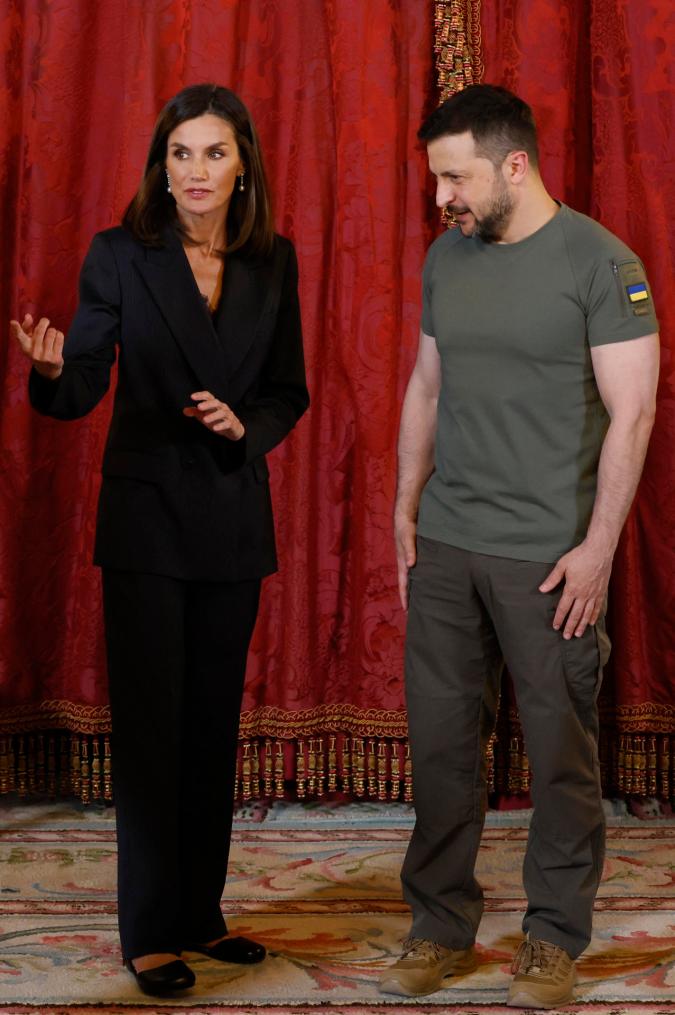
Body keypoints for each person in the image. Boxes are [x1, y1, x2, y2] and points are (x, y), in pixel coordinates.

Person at [10, 83, 309, 998]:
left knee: (211, 727)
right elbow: (84, 382)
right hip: (146, 523)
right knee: (152, 732)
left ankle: (199, 916)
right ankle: (147, 932)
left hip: (232, 517)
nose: (196, 170)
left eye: (214, 152)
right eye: (181, 153)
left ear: (243, 165)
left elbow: (287, 390)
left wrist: (244, 427)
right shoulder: (120, 254)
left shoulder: (274, 260)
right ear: (161, 165)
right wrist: (53, 372)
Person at [381, 84, 659, 1009]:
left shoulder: (601, 262)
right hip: (447, 546)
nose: (441, 199)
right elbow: (426, 386)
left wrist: (597, 549)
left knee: (560, 752)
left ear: (513, 164)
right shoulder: (445, 258)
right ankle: (437, 923)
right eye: (435, 180)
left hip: (548, 559)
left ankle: (552, 936)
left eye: (455, 178)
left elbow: (632, 413)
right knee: (441, 748)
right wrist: (404, 507)